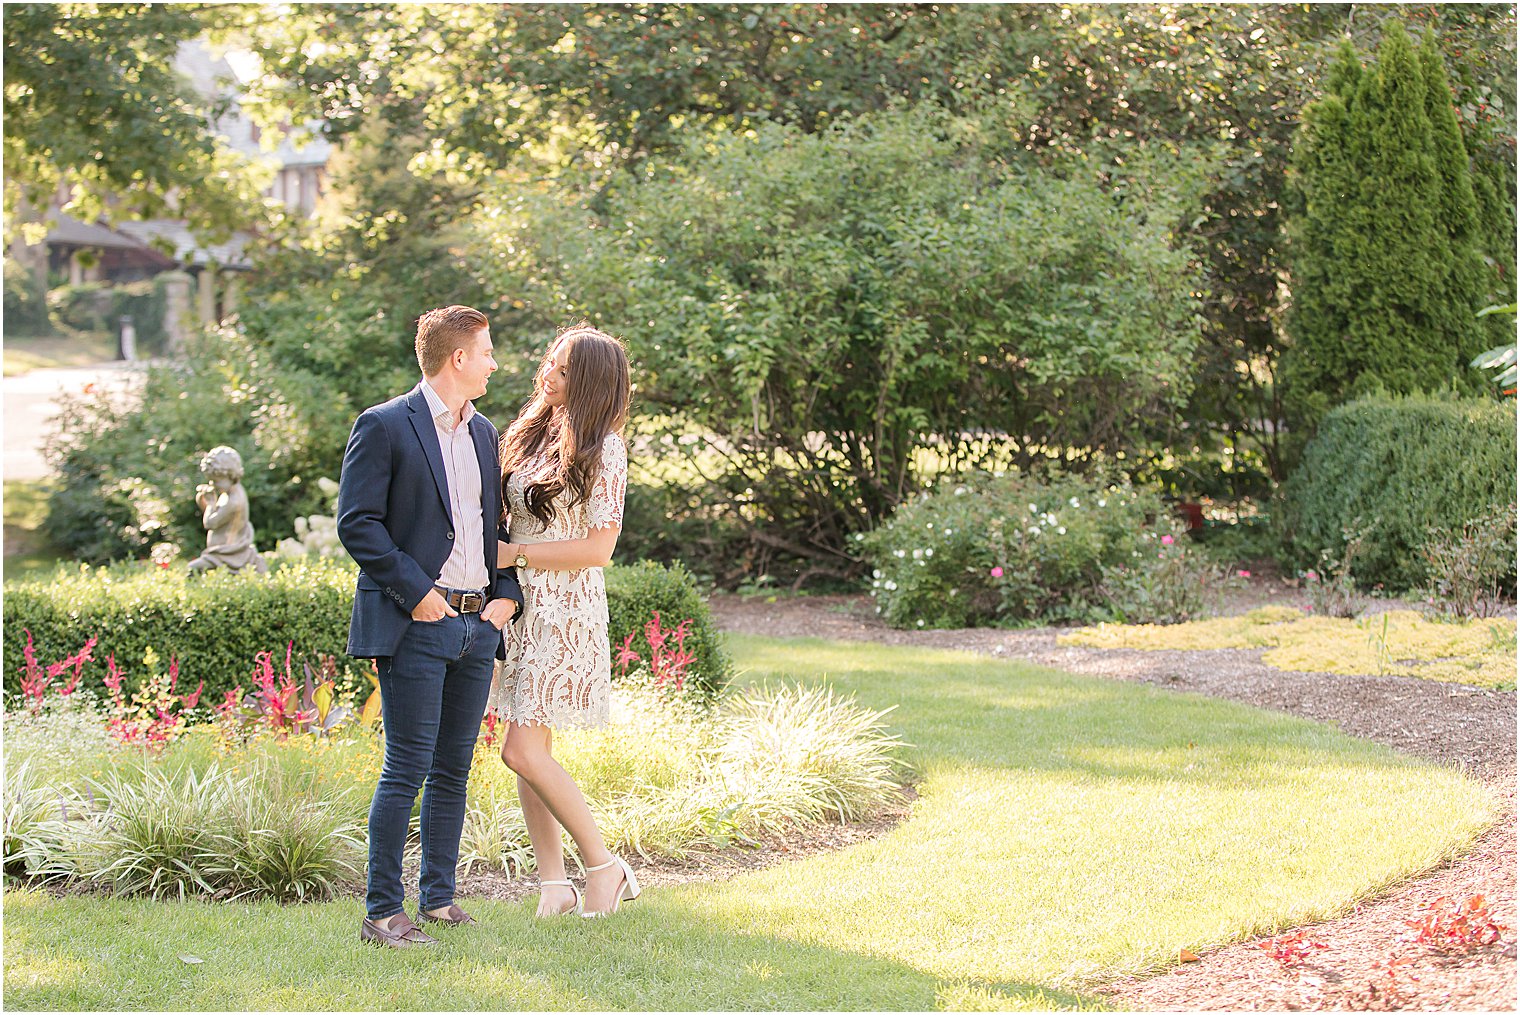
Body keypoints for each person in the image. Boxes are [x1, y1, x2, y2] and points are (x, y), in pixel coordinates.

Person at [337, 305, 523, 949]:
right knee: (406, 767)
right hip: (417, 621)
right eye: (488, 352)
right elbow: (357, 523)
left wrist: (506, 598)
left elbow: (492, 527)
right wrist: (415, 593)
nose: (496, 363)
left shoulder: (485, 433)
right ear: (458, 359)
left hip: (478, 625)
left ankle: (438, 900)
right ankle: (383, 912)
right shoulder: (384, 425)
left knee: (454, 768)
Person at [490, 323, 637, 918]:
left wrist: (516, 554)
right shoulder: (530, 433)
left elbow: (600, 548)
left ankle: (605, 866)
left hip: (563, 608)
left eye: (565, 370)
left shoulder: (605, 449)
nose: (548, 375)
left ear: (593, 384)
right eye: (550, 363)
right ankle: (554, 883)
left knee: (522, 750)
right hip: (518, 606)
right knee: (532, 746)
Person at [188, 445, 268, 574]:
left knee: (193, 568)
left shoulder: (234, 501)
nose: (212, 485)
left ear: (230, 475)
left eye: (216, 481)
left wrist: (210, 503)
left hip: (228, 553)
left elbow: (210, 523)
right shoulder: (229, 493)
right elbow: (215, 515)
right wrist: (202, 500)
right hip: (222, 550)